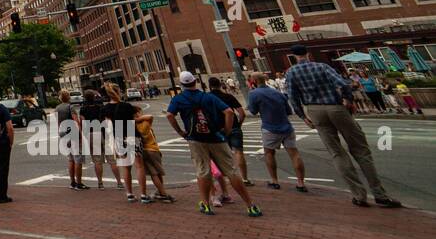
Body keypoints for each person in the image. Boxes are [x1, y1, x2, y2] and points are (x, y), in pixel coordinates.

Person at [285, 45, 400, 207]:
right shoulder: (322, 67)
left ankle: (359, 195)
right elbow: (343, 84)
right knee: (360, 150)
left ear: (293, 56)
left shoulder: (291, 72)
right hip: (335, 107)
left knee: (336, 153)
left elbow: (292, 97)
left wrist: (303, 116)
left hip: (314, 109)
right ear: (308, 54)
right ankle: (379, 194)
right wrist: (348, 100)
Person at [165, 71, 261, 217]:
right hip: (216, 137)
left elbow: (169, 115)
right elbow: (229, 112)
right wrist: (226, 131)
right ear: (195, 82)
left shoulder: (179, 99)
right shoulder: (208, 96)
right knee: (231, 171)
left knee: (203, 171)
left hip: (196, 139)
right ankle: (250, 205)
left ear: (181, 85)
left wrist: (181, 132)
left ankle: (206, 204)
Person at [246, 72, 306, 192]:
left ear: (254, 81)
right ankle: (301, 183)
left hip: (269, 127)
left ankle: (274, 181)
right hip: (287, 127)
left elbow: (252, 111)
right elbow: (289, 111)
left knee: (269, 153)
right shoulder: (278, 93)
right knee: (294, 154)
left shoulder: (254, 93)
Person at [208, 77, 252, 186]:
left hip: (219, 130)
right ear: (220, 85)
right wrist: (238, 125)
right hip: (234, 127)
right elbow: (242, 113)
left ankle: (228, 180)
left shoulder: (207, 98)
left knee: (221, 155)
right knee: (238, 152)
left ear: (209, 86)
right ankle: (245, 179)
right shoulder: (228, 96)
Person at [103, 84, 138, 202]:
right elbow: (135, 121)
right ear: (118, 92)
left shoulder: (105, 109)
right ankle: (143, 194)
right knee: (140, 166)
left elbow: (105, 127)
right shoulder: (127, 106)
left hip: (117, 139)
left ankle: (129, 193)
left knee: (125, 167)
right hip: (131, 136)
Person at [132, 107, 174, 203]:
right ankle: (163, 194)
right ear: (138, 113)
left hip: (144, 150)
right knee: (155, 174)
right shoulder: (145, 123)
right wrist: (139, 118)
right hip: (153, 149)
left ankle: (160, 192)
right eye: (140, 112)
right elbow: (150, 116)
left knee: (155, 173)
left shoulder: (134, 126)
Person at [79, 86, 117, 189]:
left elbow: (82, 123)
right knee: (112, 160)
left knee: (97, 161)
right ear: (94, 97)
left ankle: (100, 183)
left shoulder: (83, 109)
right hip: (104, 133)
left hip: (91, 134)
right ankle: (119, 182)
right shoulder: (101, 107)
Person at [54, 90, 88, 189]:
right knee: (78, 159)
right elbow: (76, 121)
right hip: (73, 134)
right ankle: (79, 183)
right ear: (68, 97)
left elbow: (58, 123)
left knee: (70, 159)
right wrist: (80, 135)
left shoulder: (57, 108)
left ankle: (72, 182)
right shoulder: (71, 107)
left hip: (63, 134)